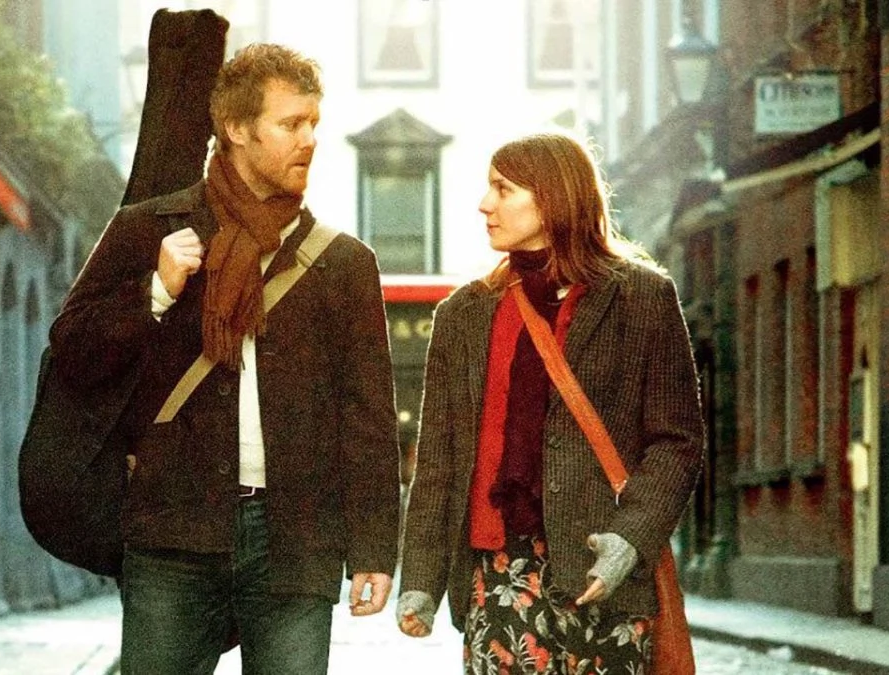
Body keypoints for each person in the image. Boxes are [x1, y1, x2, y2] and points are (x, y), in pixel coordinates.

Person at [48, 43, 401, 674]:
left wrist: (374, 549)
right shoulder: (151, 229)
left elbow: (367, 417)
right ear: (237, 129)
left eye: (313, 123)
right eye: (290, 124)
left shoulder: (343, 263)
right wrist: (156, 292)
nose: (310, 140)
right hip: (174, 530)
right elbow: (72, 351)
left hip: (296, 538)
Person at [396, 132, 704, 673]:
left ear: (553, 199)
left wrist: (629, 540)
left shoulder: (641, 298)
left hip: (602, 570)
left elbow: (676, 441)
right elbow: (440, 460)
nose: (485, 204)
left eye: (503, 189)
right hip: (497, 575)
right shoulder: (463, 315)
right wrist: (420, 579)